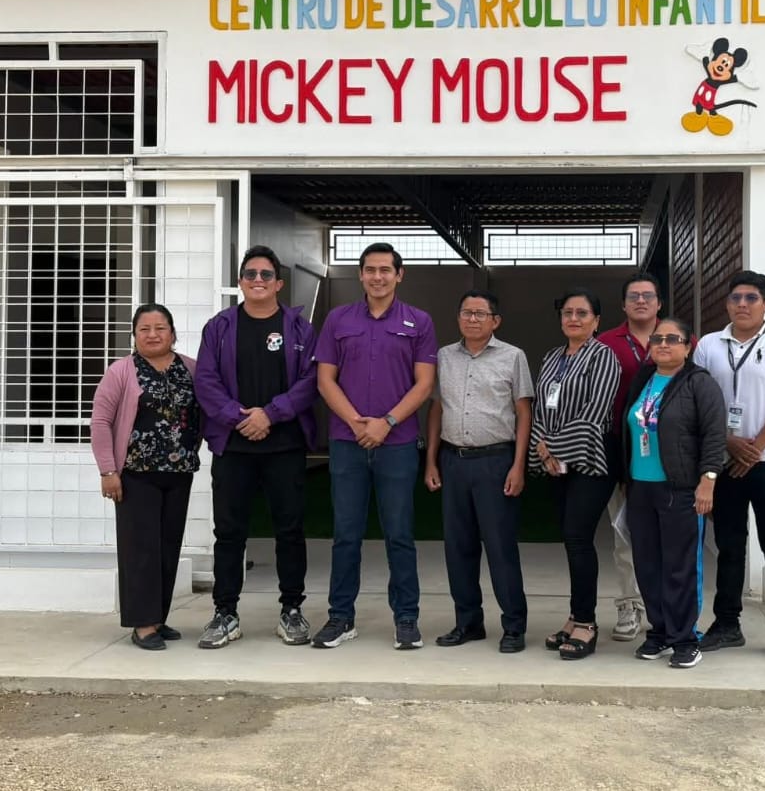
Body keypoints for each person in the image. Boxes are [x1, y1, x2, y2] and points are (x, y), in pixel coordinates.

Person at [193, 245, 319, 650]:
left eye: (266, 275)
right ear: (240, 282)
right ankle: (225, 613)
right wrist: (238, 417)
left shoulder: (300, 329)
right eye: (250, 274)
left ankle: (292, 610)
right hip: (233, 446)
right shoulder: (219, 327)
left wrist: (271, 414)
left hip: (285, 445)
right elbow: (206, 381)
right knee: (229, 533)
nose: (258, 280)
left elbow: (311, 381)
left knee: (290, 530)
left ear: (279, 283)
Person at [313, 242, 438, 650]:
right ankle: (340, 617)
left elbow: (424, 384)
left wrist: (386, 423)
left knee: (399, 533)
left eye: (386, 270)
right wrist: (355, 422)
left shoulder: (419, 321)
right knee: (345, 533)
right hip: (347, 442)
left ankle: (406, 618)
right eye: (370, 269)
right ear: (360, 274)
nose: (378, 277)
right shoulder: (338, 319)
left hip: (397, 443)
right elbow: (325, 379)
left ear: (399, 275)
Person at [694, 269, 765, 663]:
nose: (742, 305)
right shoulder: (709, 345)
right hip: (725, 460)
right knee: (729, 546)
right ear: (727, 304)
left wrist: (756, 449)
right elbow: (699, 400)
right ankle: (727, 623)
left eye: (751, 298)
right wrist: (728, 443)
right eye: (736, 298)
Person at [423, 290, 535, 653]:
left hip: (496, 461)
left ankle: (514, 625)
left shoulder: (513, 356)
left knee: (500, 547)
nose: (472, 319)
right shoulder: (444, 357)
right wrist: (431, 460)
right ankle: (468, 622)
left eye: (480, 314)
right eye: (466, 313)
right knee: (458, 547)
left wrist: (518, 465)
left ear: (495, 321)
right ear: (458, 318)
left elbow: (523, 412)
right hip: (453, 461)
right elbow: (437, 409)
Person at [89, 303, 202, 651]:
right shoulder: (121, 371)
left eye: (160, 328)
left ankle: (158, 616)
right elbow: (101, 422)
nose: (153, 335)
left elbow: (203, 413)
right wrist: (108, 470)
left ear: (172, 333)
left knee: (167, 546)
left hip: (179, 472)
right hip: (135, 475)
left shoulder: (191, 369)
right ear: (134, 335)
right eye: (145, 329)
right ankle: (142, 623)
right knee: (140, 550)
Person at [619, 316, 725, 669]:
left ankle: (685, 638)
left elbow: (714, 435)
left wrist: (708, 480)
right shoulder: (644, 379)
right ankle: (660, 631)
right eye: (657, 339)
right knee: (647, 565)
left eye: (672, 339)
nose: (663, 344)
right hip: (641, 488)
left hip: (680, 489)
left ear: (688, 346)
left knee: (680, 567)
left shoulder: (699, 383)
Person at [529, 288, 622, 661]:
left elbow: (595, 413)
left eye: (582, 313)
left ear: (596, 321)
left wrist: (553, 447)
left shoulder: (604, 357)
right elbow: (540, 408)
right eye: (567, 312)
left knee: (579, 538)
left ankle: (586, 623)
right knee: (570, 539)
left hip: (591, 459)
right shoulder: (552, 357)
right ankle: (574, 616)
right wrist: (541, 447)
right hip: (554, 461)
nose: (573, 319)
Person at [595, 270, 664, 642]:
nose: (641, 301)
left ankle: (665, 609)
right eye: (633, 296)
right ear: (623, 305)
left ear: (659, 303)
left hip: (667, 454)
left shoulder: (678, 338)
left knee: (668, 535)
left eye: (647, 295)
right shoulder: (606, 343)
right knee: (625, 533)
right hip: (620, 450)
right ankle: (629, 604)